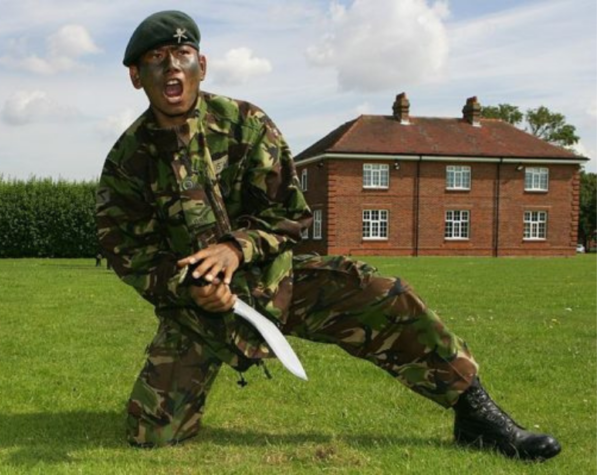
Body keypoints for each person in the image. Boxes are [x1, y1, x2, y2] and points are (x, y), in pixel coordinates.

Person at [95, 10, 560, 461]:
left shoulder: (246, 126)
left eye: (182, 52)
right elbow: (130, 255)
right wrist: (192, 287)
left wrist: (236, 249)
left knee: (386, 297)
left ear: (202, 64)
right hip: (199, 313)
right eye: (156, 58)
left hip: (279, 286)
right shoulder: (126, 162)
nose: (171, 65)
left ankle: (475, 412)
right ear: (137, 76)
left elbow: (291, 214)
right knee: (151, 434)